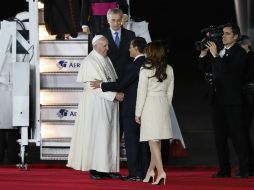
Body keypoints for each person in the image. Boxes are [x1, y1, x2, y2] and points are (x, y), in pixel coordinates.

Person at [90, 37, 150, 181]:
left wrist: (102, 85)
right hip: (144, 108)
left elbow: (121, 84)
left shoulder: (135, 65)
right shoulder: (147, 63)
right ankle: (144, 172)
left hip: (131, 110)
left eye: (130, 47)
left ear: (136, 48)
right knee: (143, 143)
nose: (128, 50)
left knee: (132, 142)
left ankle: (135, 174)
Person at [66, 35, 124, 180]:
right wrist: (114, 95)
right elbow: (93, 87)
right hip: (96, 105)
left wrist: (114, 94)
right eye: (105, 46)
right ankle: (96, 170)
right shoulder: (90, 62)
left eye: (107, 45)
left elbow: (111, 80)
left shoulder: (105, 58)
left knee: (107, 136)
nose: (107, 48)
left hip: (107, 104)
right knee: (98, 136)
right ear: (96, 46)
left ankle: (106, 168)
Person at [198, 22, 249, 178]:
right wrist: (203, 55)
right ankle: (224, 169)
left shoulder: (240, 53)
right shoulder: (219, 51)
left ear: (235, 36)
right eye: (223, 33)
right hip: (217, 100)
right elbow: (207, 70)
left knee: (238, 136)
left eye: (227, 33)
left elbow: (228, 72)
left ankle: (246, 169)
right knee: (219, 138)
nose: (223, 36)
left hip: (233, 101)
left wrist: (214, 55)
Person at [135, 41, 174, 185]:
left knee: (153, 140)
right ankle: (151, 171)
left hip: (150, 105)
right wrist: (165, 107)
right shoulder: (169, 68)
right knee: (156, 141)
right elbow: (170, 93)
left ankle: (161, 172)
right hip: (163, 104)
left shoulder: (145, 69)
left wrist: (138, 113)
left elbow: (141, 93)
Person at [238, 35, 254, 176]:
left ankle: (249, 165)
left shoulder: (247, 59)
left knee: (244, 132)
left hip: (248, 99)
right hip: (248, 97)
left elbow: (244, 76)